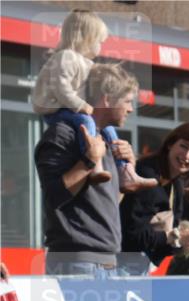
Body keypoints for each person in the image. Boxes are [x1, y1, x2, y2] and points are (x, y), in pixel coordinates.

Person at [31, 10, 156, 193]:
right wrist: (82, 106)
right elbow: (61, 89)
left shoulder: (86, 63)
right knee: (87, 120)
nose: (101, 47)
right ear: (86, 38)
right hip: (56, 108)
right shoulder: (65, 57)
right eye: (99, 41)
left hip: (70, 106)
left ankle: (125, 171)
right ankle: (95, 164)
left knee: (108, 129)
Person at [34, 63, 141, 276]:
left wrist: (128, 168)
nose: (131, 109)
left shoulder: (105, 140)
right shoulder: (62, 134)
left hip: (108, 263)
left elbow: (108, 202)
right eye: (128, 101)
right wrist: (89, 161)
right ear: (107, 99)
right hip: (76, 262)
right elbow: (54, 197)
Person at [119, 122, 189, 275]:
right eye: (184, 146)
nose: (187, 156)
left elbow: (170, 231)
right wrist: (175, 237)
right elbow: (132, 234)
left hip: (145, 269)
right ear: (170, 144)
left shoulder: (176, 183)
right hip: (124, 268)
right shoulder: (147, 175)